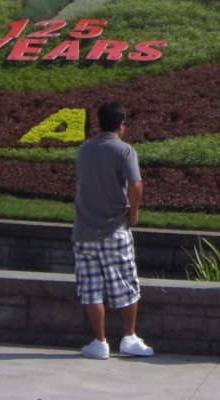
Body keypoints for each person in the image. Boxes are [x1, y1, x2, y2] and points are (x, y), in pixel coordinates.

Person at [72, 101, 154, 359]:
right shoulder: (124, 151)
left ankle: (99, 342)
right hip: (114, 229)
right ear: (121, 125)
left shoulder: (84, 149)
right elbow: (136, 184)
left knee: (91, 288)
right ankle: (129, 337)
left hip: (83, 230)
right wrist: (134, 210)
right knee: (126, 284)